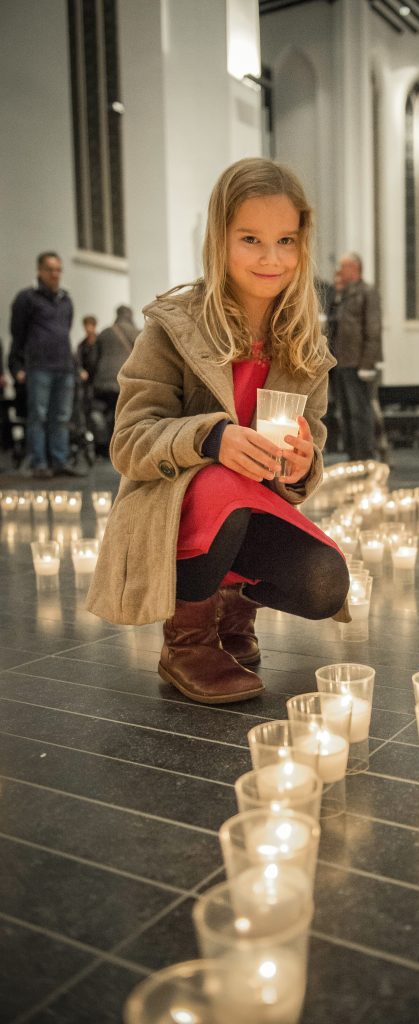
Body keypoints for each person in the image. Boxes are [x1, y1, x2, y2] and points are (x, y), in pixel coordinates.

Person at [86, 158, 350, 705]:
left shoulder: (303, 348)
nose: (270, 257)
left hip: (249, 506)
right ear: (219, 237)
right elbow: (129, 442)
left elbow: (312, 442)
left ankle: (231, 610)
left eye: (286, 240)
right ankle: (186, 641)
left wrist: (303, 465)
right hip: (176, 507)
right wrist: (213, 438)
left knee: (326, 582)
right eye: (251, 238)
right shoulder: (173, 329)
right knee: (224, 486)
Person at [9, 251, 81, 478]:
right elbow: (17, 333)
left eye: (58, 269)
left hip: (64, 366)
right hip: (38, 366)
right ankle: (39, 463)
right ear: (40, 271)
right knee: (38, 416)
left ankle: (59, 461)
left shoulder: (66, 300)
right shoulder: (27, 298)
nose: (55, 274)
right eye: (50, 269)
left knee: (61, 417)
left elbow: (65, 329)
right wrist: (17, 365)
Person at [333, 252, 383, 460]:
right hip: (341, 361)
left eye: (343, 267)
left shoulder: (367, 292)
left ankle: (364, 456)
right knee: (345, 413)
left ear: (354, 269)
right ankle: (352, 455)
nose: (339, 271)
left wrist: (367, 363)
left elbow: (373, 328)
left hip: (358, 363)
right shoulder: (342, 294)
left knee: (359, 413)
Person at [92, 305, 140, 444]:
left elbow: (93, 359)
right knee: (122, 414)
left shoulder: (104, 333)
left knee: (106, 411)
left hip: (102, 381)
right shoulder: (135, 332)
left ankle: (104, 443)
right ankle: (119, 445)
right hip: (124, 380)